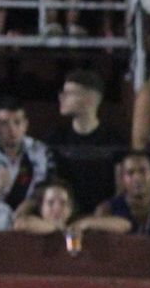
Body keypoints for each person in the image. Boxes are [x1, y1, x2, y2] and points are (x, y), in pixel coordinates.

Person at [45, 70, 125, 215]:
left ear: (90, 99)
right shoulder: (56, 138)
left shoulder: (114, 139)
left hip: (103, 216)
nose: (61, 97)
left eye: (69, 93)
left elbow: (120, 188)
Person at [0, 98, 52, 211]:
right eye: (4, 123)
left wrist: (30, 204)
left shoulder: (42, 152)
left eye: (17, 122)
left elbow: (53, 188)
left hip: (32, 213)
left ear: (25, 124)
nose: (12, 129)